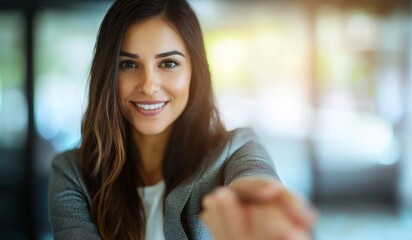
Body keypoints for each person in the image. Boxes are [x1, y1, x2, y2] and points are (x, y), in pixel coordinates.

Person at [48, 0, 317, 239]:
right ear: (107, 74)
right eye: (128, 64)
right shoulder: (73, 173)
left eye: (168, 63)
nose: (149, 85)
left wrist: (254, 205)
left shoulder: (237, 149)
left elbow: (253, 175)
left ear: (194, 72)